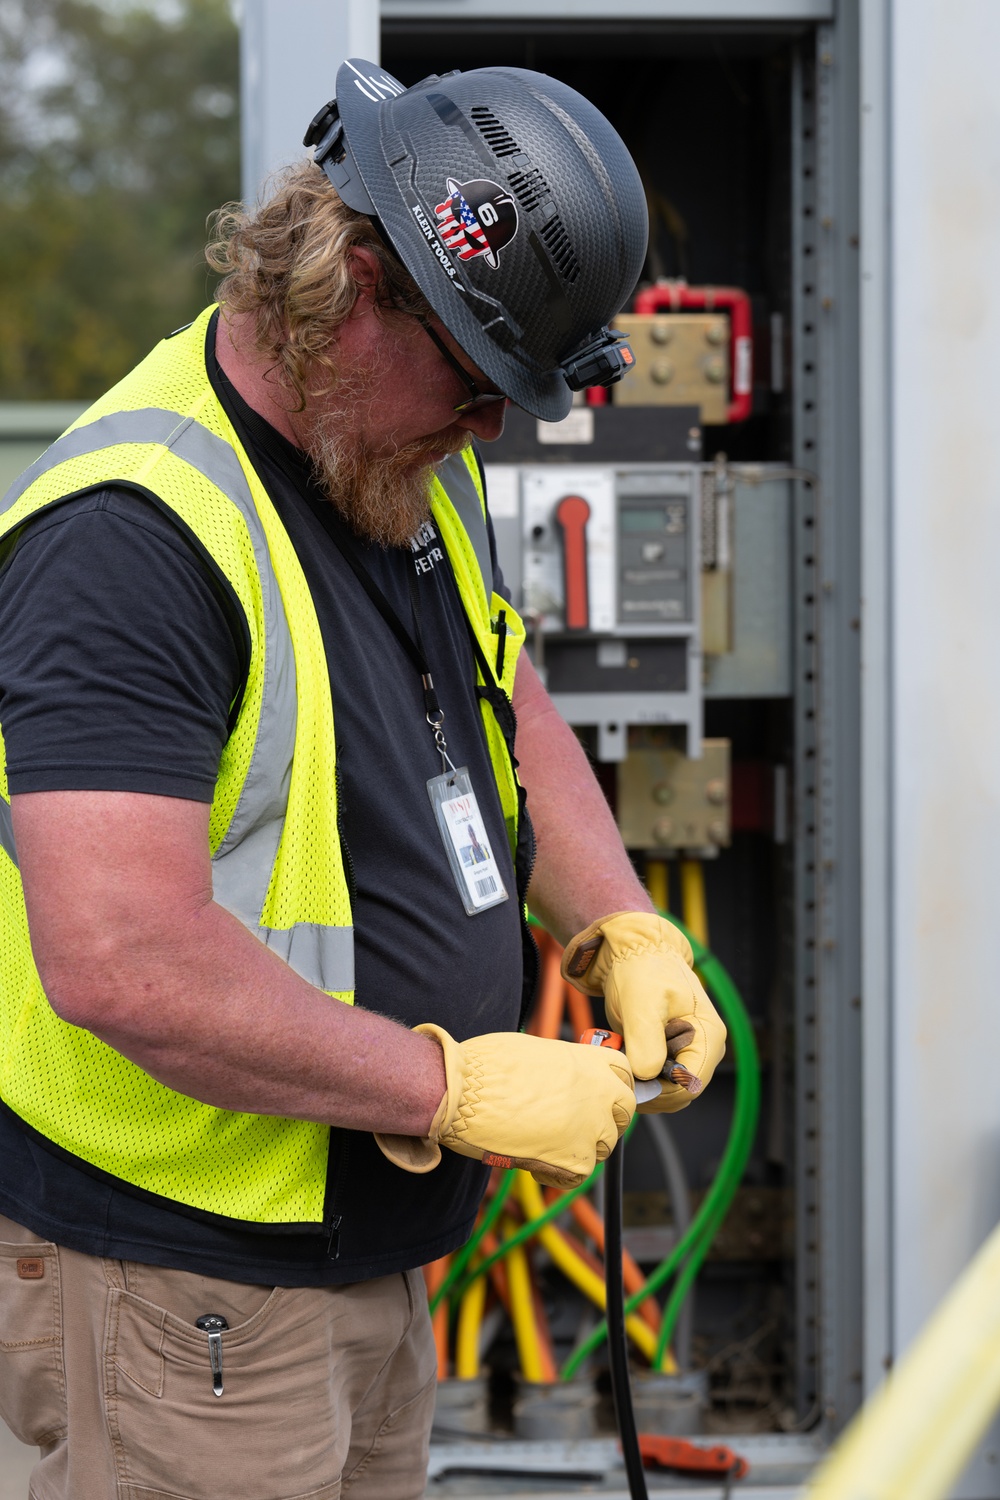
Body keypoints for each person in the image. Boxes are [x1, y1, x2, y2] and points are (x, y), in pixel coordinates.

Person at [0, 58, 726, 1500]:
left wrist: (617, 923)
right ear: (355, 287)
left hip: (374, 1257)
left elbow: (503, 696)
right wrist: (443, 1088)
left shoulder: (392, 457)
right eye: (481, 380)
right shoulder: (128, 541)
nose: (493, 430)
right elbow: (119, 960)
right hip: (184, 1289)